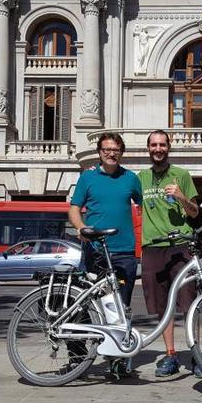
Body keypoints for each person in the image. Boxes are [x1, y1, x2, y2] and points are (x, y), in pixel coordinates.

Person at [68, 132, 142, 377]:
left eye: (116, 149)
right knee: (83, 306)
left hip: (123, 252)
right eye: (107, 149)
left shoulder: (131, 179)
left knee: (120, 309)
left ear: (121, 153)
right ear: (100, 152)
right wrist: (81, 228)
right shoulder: (87, 177)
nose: (112, 153)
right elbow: (74, 209)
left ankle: (117, 360)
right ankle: (76, 359)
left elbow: (146, 208)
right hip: (94, 252)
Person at [137, 129, 202, 378]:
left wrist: (181, 197)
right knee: (163, 308)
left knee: (190, 304)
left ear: (169, 147)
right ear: (148, 148)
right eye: (154, 145)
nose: (158, 149)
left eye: (162, 145)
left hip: (181, 246)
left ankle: (196, 355)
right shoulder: (140, 178)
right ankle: (171, 355)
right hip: (153, 248)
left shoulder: (181, 175)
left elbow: (195, 213)